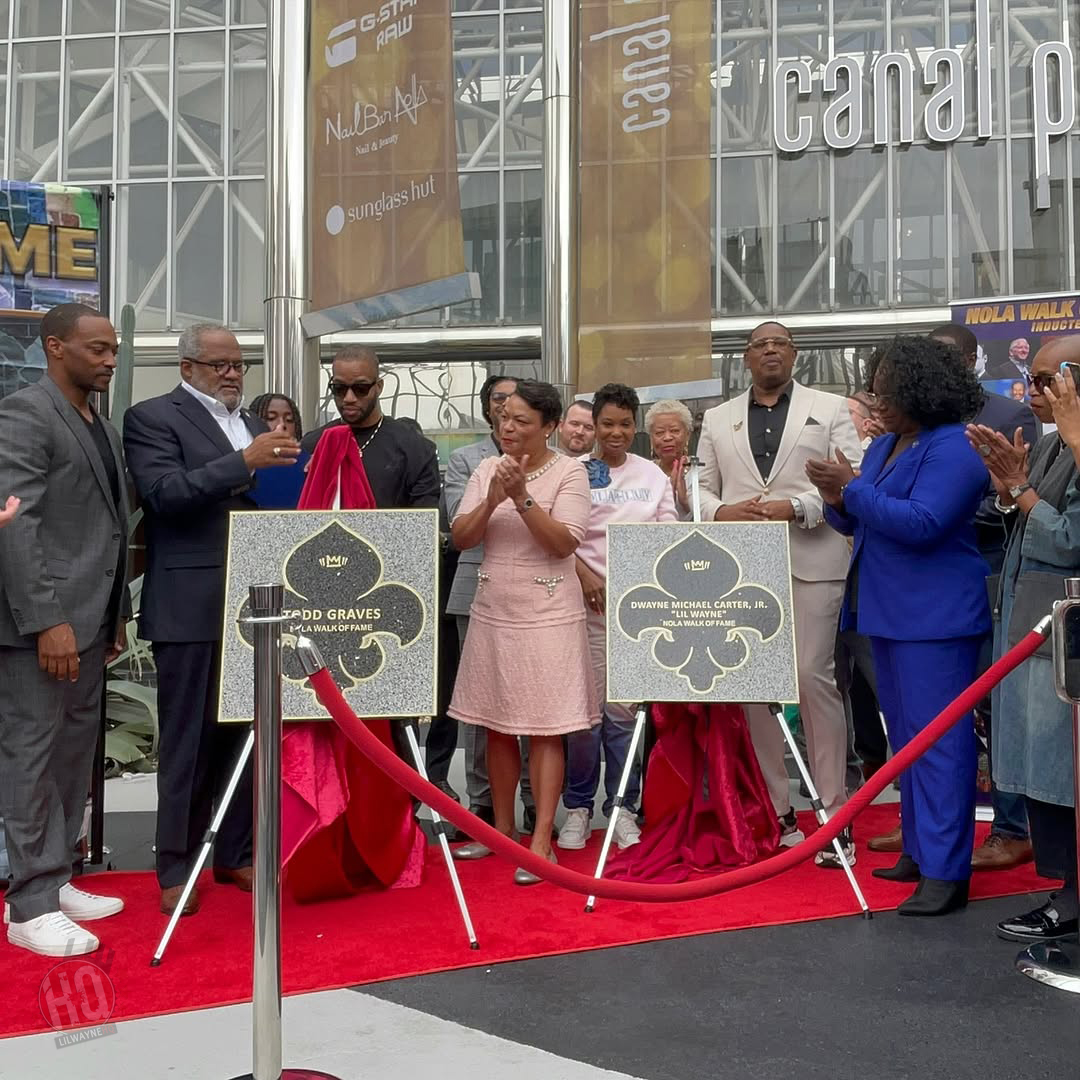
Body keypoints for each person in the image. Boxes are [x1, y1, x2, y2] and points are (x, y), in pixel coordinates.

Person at [809, 335, 990, 916]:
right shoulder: (889, 443)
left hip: (935, 617)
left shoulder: (954, 448)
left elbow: (924, 523)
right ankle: (919, 849)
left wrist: (853, 490)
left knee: (940, 745)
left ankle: (946, 872)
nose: (877, 401)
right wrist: (836, 500)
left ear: (921, 389)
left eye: (887, 390)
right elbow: (866, 523)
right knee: (908, 742)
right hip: (887, 611)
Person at [124, 324, 300, 916]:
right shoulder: (153, 417)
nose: (231, 373)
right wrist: (242, 462)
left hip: (258, 603)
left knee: (246, 735)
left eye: (238, 364)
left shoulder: (254, 425)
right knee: (187, 742)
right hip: (190, 602)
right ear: (187, 366)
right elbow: (164, 494)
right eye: (218, 363)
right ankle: (175, 864)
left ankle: (236, 851)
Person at [697, 321, 863, 867]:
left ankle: (834, 815)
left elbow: (853, 477)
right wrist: (723, 511)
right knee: (754, 687)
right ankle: (776, 811)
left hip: (814, 557)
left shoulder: (831, 407)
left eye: (780, 344)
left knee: (814, 677)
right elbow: (699, 486)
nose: (770, 350)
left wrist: (797, 506)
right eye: (760, 344)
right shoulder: (719, 417)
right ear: (745, 357)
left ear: (794, 355)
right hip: (743, 566)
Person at [0, 303, 129, 956]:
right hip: (40, 629)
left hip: (89, 622)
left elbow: (109, 526)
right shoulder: (25, 413)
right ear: (55, 348)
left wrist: (115, 617)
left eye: (114, 348)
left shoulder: (96, 424)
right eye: (98, 349)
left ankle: (56, 877)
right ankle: (27, 905)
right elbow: (15, 524)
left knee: (71, 759)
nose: (110, 359)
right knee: (32, 759)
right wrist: (47, 620)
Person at [448, 380, 597, 883]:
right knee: (495, 723)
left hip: (549, 613)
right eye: (503, 417)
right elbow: (461, 537)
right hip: (493, 607)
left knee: (546, 726)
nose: (507, 428)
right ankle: (502, 833)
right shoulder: (487, 467)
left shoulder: (571, 471)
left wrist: (524, 498)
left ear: (549, 427)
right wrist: (492, 500)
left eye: (520, 421)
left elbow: (563, 544)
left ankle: (541, 842)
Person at [969, 339, 1080, 944]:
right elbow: (1024, 518)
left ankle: (1070, 900)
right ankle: (1065, 893)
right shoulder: (1049, 442)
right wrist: (1009, 487)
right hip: (1028, 628)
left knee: (1066, 774)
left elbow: (1067, 542)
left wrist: (1022, 490)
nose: (1031, 393)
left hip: (1064, 642)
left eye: (1044, 381)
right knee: (1042, 772)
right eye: (1029, 380)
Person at [928, 322, 1039, 871]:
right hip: (927, 583)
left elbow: (1019, 500)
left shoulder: (1007, 416)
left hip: (988, 573)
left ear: (973, 360)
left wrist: (943, 516)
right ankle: (928, 825)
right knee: (942, 708)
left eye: (948, 358)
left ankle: (1013, 827)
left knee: (997, 701)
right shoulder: (917, 420)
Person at [558, 383, 677, 852]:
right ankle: (579, 808)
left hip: (635, 614)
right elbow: (555, 537)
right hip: (580, 608)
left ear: (636, 426)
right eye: (607, 423)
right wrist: (585, 574)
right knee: (584, 718)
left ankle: (623, 808)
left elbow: (667, 536)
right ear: (594, 424)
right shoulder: (571, 473)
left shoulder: (653, 475)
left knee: (625, 718)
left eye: (625, 424)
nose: (615, 432)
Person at [443, 375, 537, 831]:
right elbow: (458, 522)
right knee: (481, 708)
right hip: (476, 585)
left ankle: (533, 802)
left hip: (539, 593)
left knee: (534, 703)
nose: (506, 412)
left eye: (514, 403)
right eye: (498, 402)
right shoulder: (466, 459)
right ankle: (482, 805)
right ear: (486, 408)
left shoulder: (551, 461)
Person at [301, 346, 441, 511]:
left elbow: (424, 523)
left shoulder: (415, 449)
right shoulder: (312, 445)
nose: (349, 398)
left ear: (379, 387)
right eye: (339, 388)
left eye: (361, 389)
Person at [248, 392, 309, 509]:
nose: (281, 424)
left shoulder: (308, 464)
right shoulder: (247, 461)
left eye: (289, 419)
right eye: (271, 418)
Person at [645, 398, 694, 518]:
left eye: (674, 431)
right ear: (651, 438)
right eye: (659, 432)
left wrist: (686, 503)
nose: (667, 438)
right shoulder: (644, 472)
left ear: (687, 434)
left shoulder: (701, 471)